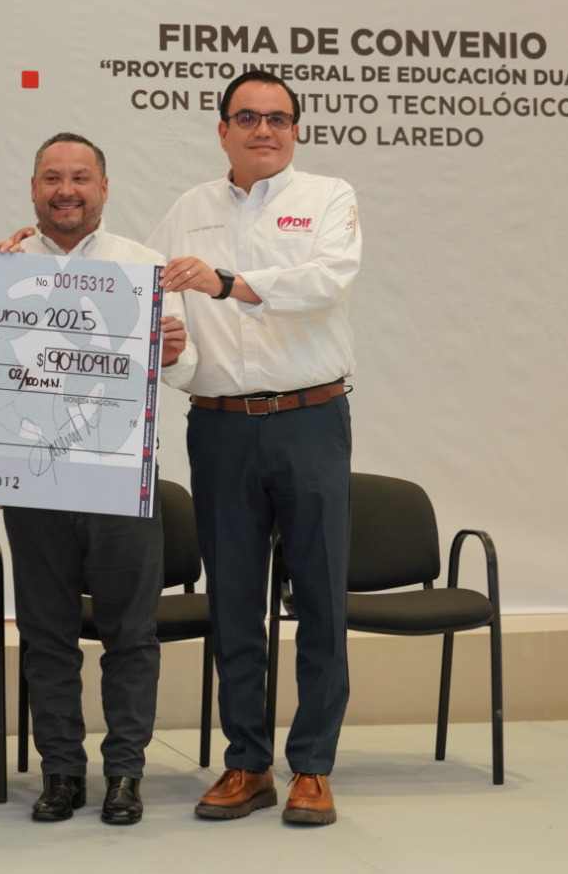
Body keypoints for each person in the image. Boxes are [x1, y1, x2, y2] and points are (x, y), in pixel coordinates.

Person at [148, 70, 360, 826]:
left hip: (310, 418)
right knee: (233, 600)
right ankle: (247, 762)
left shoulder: (328, 197)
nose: (263, 129)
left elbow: (326, 282)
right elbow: (159, 309)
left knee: (321, 599)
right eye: (247, 117)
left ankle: (314, 766)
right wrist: (172, 356)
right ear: (223, 130)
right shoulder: (187, 211)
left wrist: (230, 282)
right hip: (220, 426)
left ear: (295, 129)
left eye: (277, 118)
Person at [0, 132, 194, 826]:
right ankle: (61, 772)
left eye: (80, 177)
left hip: (119, 473)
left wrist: (176, 351)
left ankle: (125, 774)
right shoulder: (1, 266)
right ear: (33, 188)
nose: (66, 190)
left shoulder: (145, 267)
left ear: (104, 188)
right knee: (45, 633)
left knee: (130, 633)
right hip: (32, 475)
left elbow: (185, 369)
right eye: (52, 177)